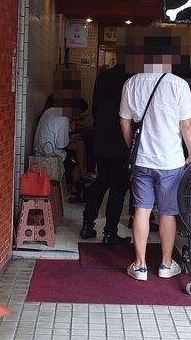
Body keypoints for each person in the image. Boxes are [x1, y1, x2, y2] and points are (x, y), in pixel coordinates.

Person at [120, 40, 191, 282]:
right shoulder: (178, 84)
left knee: (141, 210)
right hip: (171, 161)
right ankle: (165, 264)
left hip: (142, 160)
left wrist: (133, 148)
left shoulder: (132, 83)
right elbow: (186, 124)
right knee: (168, 213)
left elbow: (124, 122)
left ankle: (140, 266)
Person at [80, 64, 132, 245]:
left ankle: (87, 225)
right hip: (122, 141)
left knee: (101, 183)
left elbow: (95, 110)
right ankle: (110, 233)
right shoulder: (133, 79)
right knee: (118, 189)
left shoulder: (103, 77)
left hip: (101, 140)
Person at [33, 97, 91, 197]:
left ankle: (84, 179)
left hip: (39, 151)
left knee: (79, 146)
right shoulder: (63, 119)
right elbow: (62, 145)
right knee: (78, 152)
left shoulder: (51, 110)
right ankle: (79, 184)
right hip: (50, 156)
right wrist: (71, 139)